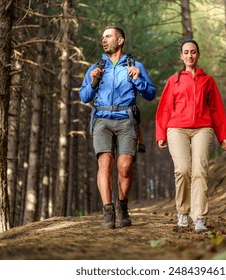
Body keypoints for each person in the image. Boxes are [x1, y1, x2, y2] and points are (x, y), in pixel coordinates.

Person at [79, 26, 156, 229]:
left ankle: (122, 205)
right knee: (104, 164)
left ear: (120, 40)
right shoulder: (97, 67)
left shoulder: (134, 65)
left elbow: (150, 94)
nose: (104, 40)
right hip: (101, 119)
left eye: (108, 37)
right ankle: (108, 211)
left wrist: (138, 78)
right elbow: (84, 96)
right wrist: (93, 81)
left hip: (126, 119)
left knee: (125, 166)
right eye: (102, 38)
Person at [155, 39, 226, 233]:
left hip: (202, 128)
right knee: (182, 169)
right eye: (186, 52)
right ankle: (182, 212)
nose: (190, 55)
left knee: (200, 171)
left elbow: (216, 109)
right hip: (177, 128)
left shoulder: (208, 80)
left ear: (198, 55)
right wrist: (160, 133)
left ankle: (199, 218)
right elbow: (164, 109)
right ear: (181, 56)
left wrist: (223, 135)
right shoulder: (174, 80)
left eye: (193, 52)